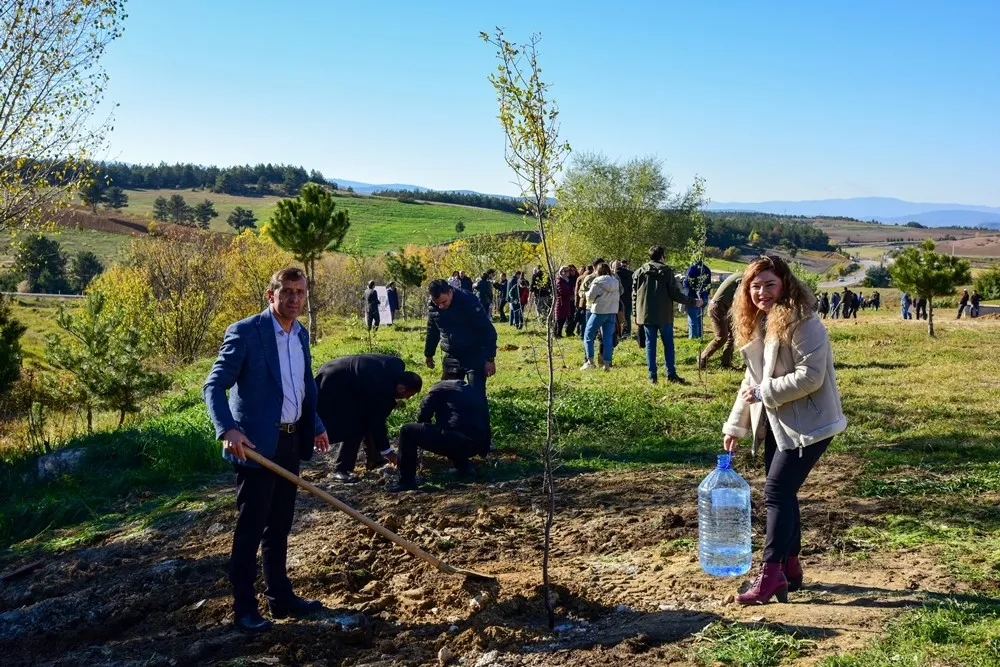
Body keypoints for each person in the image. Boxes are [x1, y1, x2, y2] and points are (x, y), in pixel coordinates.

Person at [203, 267, 330, 634]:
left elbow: (302, 385)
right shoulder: (246, 332)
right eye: (286, 291)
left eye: (300, 292)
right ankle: (244, 607)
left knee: (280, 525)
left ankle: (280, 596)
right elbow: (213, 387)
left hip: (291, 441)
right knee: (251, 527)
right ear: (269, 294)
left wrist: (315, 424)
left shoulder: (301, 334)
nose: (293, 298)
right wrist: (227, 429)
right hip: (256, 446)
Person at [721, 255, 846, 605]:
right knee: (784, 492)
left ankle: (771, 573)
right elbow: (752, 380)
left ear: (785, 284)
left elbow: (811, 376)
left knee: (776, 491)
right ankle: (790, 567)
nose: (761, 292)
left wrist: (764, 393)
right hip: (779, 423)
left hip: (811, 424)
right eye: (754, 286)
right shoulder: (760, 323)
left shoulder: (804, 322)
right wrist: (736, 426)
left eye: (769, 284)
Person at [315, 354, 423, 483]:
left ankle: (374, 460)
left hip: (337, 369)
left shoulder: (396, 366)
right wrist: (389, 453)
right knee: (354, 425)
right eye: (407, 395)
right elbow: (377, 422)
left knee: (365, 418)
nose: (406, 399)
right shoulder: (383, 390)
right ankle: (341, 470)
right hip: (333, 383)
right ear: (402, 388)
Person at [389, 371, 492, 492]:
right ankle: (464, 468)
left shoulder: (438, 388)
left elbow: (424, 414)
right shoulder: (472, 391)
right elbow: (485, 419)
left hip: (459, 442)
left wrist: (424, 435)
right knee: (455, 426)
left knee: (407, 430)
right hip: (478, 444)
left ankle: (406, 481)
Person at [633, 246, 702, 384]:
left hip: (646, 315)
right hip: (664, 315)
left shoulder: (639, 272)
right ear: (662, 256)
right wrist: (694, 302)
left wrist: (636, 313)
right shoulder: (667, 272)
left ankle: (652, 376)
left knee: (650, 345)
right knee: (668, 345)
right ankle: (671, 374)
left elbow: (634, 295)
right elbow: (675, 294)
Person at [425, 278, 498, 395]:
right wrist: (429, 354)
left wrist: (490, 359)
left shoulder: (468, 301)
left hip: (474, 354)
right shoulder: (433, 307)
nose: (441, 307)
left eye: (444, 302)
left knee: (476, 396)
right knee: (447, 395)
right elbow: (432, 330)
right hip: (451, 355)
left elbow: (487, 329)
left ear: (450, 292)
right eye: (437, 303)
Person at [699, 271, 742, 370]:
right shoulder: (742, 278)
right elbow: (738, 297)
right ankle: (702, 359)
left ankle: (726, 364)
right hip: (718, 307)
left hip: (726, 308)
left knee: (732, 335)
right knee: (721, 337)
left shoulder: (740, 275)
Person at [582, 262, 620, 371]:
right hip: (611, 312)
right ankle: (607, 365)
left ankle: (590, 362)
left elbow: (590, 297)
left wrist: (586, 295)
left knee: (588, 335)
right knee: (607, 338)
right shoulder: (615, 282)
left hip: (599, 311)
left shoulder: (597, 281)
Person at [685, 259, 713, 340]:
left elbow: (686, 283)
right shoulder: (707, 269)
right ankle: (700, 338)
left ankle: (693, 339)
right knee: (699, 319)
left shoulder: (692, 268)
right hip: (704, 297)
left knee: (692, 320)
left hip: (693, 298)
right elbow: (709, 285)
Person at [554, 265, 575, 338]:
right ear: (562, 272)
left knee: (563, 318)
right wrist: (570, 291)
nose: (568, 272)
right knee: (559, 319)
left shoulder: (567, 280)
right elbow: (561, 290)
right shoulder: (559, 280)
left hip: (566, 301)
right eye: (566, 271)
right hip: (561, 302)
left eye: (568, 271)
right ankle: (556, 334)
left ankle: (558, 334)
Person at [575, 265, 594, 340]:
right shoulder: (595, 277)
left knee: (583, 321)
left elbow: (577, 292)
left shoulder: (580, 277)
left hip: (582, 302)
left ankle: (582, 335)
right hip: (592, 302)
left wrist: (576, 303)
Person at [616, 260, 634, 337]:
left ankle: (620, 331)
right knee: (627, 316)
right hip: (629, 297)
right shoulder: (631, 274)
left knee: (619, 316)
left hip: (620, 298)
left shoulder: (616, 275)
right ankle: (628, 332)